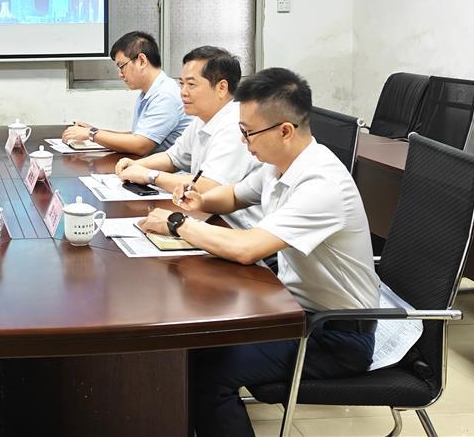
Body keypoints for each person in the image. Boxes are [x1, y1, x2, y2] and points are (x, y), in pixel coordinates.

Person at [138, 67, 379, 437]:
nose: (243, 140)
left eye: (249, 132)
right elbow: (234, 196)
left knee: (210, 371)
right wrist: (198, 197)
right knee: (196, 341)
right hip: (290, 308)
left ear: (285, 131)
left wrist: (177, 223)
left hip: (333, 334)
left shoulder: (322, 184)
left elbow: (247, 248)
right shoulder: (280, 164)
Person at [115, 46, 261, 228]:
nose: (183, 92)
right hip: (209, 216)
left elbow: (210, 187)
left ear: (222, 88)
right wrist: (137, 165)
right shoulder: (203, 118)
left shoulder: (235, 125)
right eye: (181, 84)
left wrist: (150, 175)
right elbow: (173, 158)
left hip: (237, 226)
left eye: (191, 85)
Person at [62, 31, 191, 155]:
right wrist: (94, 131)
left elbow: (140, 145)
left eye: (121, 66)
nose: (120, 74)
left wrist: (91, 134)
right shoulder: (150, 92)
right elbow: (137, 136)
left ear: (142, 61)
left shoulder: (165, 95)